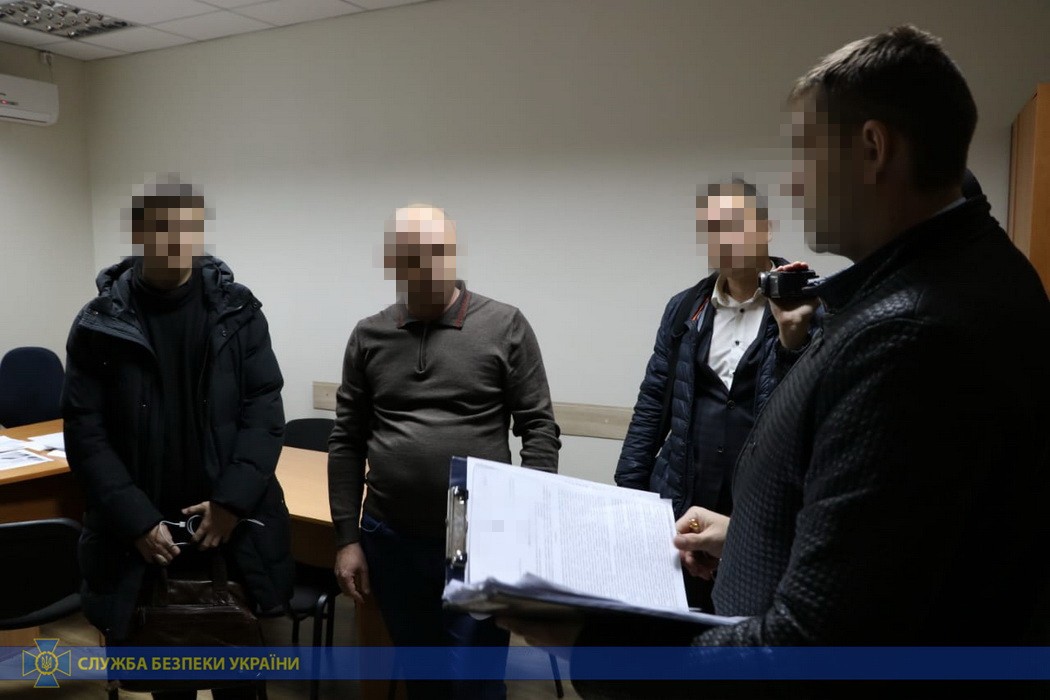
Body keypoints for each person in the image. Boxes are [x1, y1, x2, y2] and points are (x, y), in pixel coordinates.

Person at [505, 25, 1050, 697]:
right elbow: (888, 553)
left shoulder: (912, 334)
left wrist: (595, 641)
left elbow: (808, 650)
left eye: (804, 154)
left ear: (873, 149)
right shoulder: (966, 272)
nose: (793, 184)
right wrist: (751, 538)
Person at [62, 176, 294, 700]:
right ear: (139, 232)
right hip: (148, 540)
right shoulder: (99, 323)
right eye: (161, 227)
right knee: (169, 684)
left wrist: (232, 502)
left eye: (186, 227)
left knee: (242, 685)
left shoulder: (238, 311)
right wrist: (136, 521)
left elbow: (264, 412)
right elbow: (85, 431)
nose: (175, 239)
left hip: (228, 530)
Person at [328, 204, 561, 699]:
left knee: (474, 680)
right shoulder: (369, 335)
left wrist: (527, 526)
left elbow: (539, 429)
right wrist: (347, 538)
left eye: (440, 251)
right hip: (391, 536)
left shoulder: (503, 324)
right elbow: (346, 440)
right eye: (415, 254)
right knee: (422, 677)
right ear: (394, 262)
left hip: (476, 536)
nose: (430, 264)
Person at [615, 179, 819, 609]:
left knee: (743, 627)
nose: (724, 238)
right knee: (671, 629)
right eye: (712, 228)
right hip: (683, 499)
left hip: (759, 512)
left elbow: (810, 410)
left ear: (766, 227)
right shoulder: (684, 308)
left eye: (734, 223)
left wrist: (794, 338)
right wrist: (629, 496)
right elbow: (653, 402)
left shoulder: (807, 306)